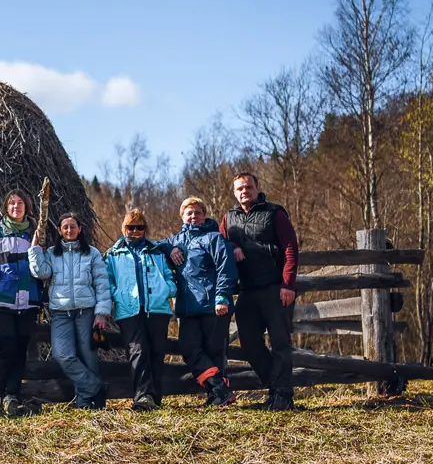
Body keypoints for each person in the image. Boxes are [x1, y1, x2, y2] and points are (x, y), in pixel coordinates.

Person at [221, 173, 300, 411]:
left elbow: (291, 248)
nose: (244, 191)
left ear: (257, 188)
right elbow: (220, 244)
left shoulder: (274, 213)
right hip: (247, 290)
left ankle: (283, 396)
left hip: (275, 288)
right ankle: (275, 388)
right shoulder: (228, 218)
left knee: (280, 342)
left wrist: (288, 285)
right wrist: (232, 246)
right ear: (234, 193)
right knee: (249, 343)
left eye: (248, 187)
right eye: (240, 189)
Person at [27, 211, 111, 409]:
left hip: (86, 311)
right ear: (59, 230)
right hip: (60, 312)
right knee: (62, 355)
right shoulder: (52, 254)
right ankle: (96, 386)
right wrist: (34, 250)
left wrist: (101, 313)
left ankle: (86, 403)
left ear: (80, 229)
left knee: (88, 356)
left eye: (73, 226)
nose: (69, 230)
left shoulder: (91, 253)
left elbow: (102, 284)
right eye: (65, 227)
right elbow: (41, 272)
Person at [161, 197, 238, 406]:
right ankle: (221, 390)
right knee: (189, 349)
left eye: (198, 212)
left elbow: (226, 268)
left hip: (214, 306)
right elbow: (155, 245)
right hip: (187, 308)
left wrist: (222, 296)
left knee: (214, 351)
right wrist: (170, 250)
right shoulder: (176, 240)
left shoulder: (214, 238)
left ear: (204, 215)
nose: (194, 216)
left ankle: (217, 396)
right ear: (182, 216)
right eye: (189, 213)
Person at [104, 208, 176, 411]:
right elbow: (107, 280)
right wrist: (118, 295)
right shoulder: (113, 254)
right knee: (138, 350)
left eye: (139, 227)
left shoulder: (157, 252)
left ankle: (155, 397)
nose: (134, 231)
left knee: (156, 352)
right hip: (129, 310)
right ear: (123, 229)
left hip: (158, 308)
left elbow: (170, 277)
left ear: (145, 229)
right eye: (130, 227)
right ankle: (142, 397)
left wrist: (167, 289)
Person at [0, 189, 45, 416]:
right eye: (11, 203)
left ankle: (12, 394)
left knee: (21, 347)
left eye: (20, 203)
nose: (16, 206)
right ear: (6, 207)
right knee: (6, 342)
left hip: (29, 299)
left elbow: (43, 265)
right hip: (4, 298)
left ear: (27, 206)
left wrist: (40, 291)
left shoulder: (35, 234)